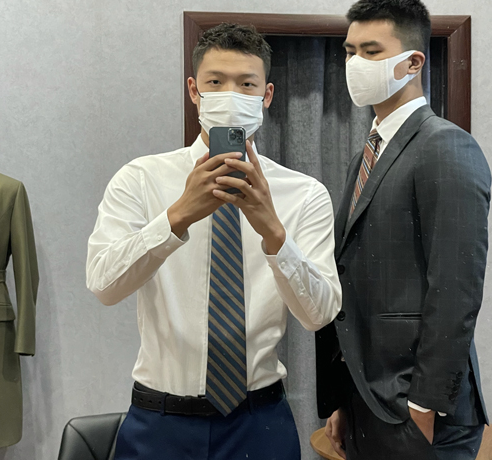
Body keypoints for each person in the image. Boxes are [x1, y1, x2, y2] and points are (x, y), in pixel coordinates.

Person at [86, 23, 341, 460]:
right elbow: (104, 285)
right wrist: (177, 216)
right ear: (194, 90)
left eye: (246, 84)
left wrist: (273, 233)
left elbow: (319, 315)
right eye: (216, 82)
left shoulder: (304, 194)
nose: (231, 94)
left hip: (260, 423)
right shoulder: (140, 179)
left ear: (267, 95)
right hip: (159, 422)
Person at [316, 1, 491, 459]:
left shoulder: (445, 145)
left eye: (371, 51)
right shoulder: (366, 155)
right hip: (366, 398)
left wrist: (425, 405)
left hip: (416, 407)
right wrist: (343, 398)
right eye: (350, 51)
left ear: (413, 62)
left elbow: (456, 287)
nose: (355, 63)